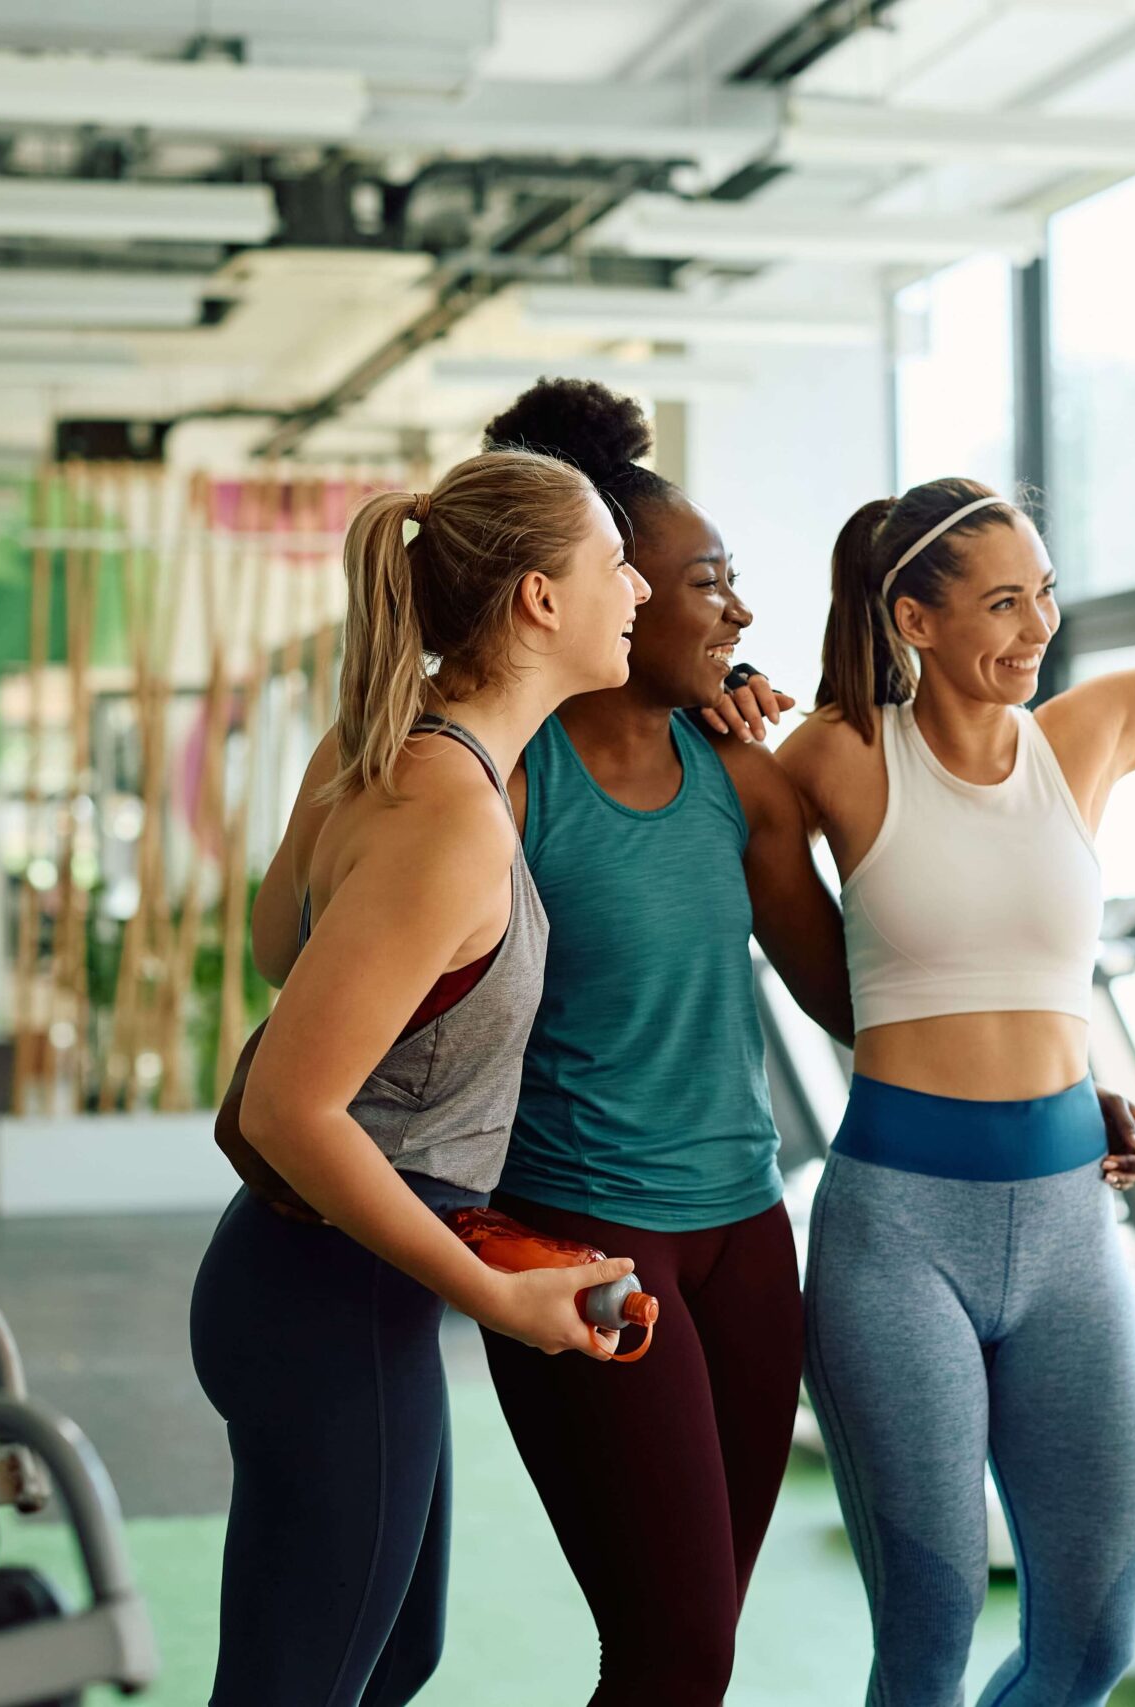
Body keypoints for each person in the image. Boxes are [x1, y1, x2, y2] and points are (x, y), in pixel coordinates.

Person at [777, 393, 1135, 1704]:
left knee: (1092, 1634)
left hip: (1073, 1227)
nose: (1041, 629)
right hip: (894, 1230)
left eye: (1046, 594)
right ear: (913, 619)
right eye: (1003, 604)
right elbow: (748, 871)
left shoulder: (1083, 739)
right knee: (922, 1637)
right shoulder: (837, 757)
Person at [188, 448, 650, 1707]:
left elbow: (279, 942)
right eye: (617, 561)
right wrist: (495, 1303)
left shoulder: (391, 749)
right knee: (306, 1686)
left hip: (321, 1287)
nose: (641, 589)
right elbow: (291, 1105)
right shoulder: (449, 814)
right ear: (542, 600)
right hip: (330, 1294)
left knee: (391, 1659)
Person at [458, 377, 848, 1706]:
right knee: (675, 1648)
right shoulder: (509, 779)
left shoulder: (740, 774)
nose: (739, 610)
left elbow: (846, 992)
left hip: (746, 1235)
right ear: (616, 593)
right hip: (579, 1237)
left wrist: (1058, 1077)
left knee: (696, 1647)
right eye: (711, 582)